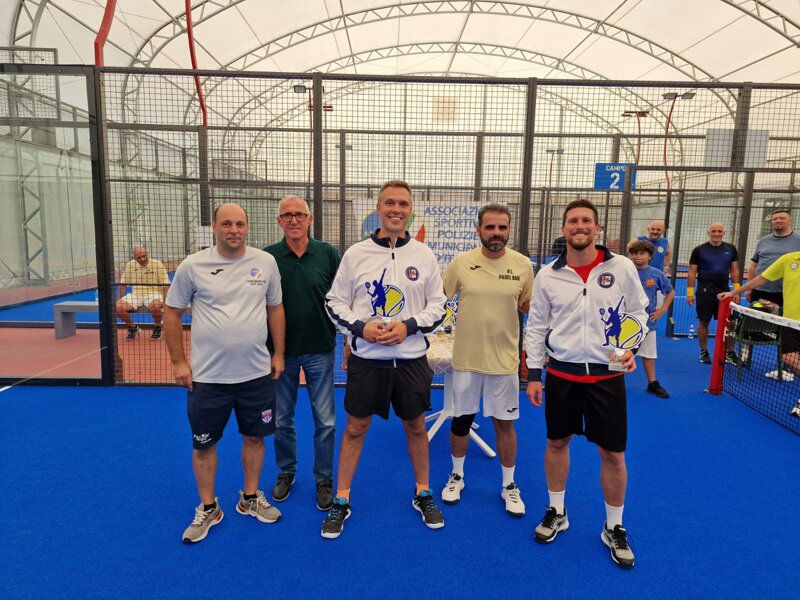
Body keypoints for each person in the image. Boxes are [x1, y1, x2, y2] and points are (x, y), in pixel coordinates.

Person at [525, 198, 649, 569]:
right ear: (564, 229)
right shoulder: (548, 274)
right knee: (556, 442)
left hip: (606, 376)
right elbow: (536, 327)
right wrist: (534, 374)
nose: (579, 226)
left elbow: (638, 312)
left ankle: (614, 527)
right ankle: (557, 511)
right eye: (573, 221)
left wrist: (632, 347)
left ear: (597, 228)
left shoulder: (621, 267)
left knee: (613, 454)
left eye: (586, 221)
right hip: (561, 375)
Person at [322, 180, 447, 539]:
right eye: (389, 202)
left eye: (403, 204)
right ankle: (342, 499)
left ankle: (423, 492)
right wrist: (361, 328)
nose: (396, 209)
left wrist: (408, 327)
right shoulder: (355, 254)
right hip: (368, 361)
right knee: (355, 428)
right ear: (378, 208)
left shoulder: (423, 255)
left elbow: (439, 305)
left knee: (416, 427)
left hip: (411, 361)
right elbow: (334, 302)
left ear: (410, 210)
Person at [164, 203, 286, 543]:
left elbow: (275, 308)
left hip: (256, 375)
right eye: (227, 224)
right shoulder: (193, 265)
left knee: (255, 438)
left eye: (240, 224)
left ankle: (250, 498)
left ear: (248, 227)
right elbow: (171, 313)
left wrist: (278, 353)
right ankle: (209, 507)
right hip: (207, 378)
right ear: (215, 227)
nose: (234, 230)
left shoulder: (266, 262)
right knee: (204, 445)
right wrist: (178, 362)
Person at [440, 203, 533, 516]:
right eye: (490, 227)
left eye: (502, 227)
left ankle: (509, 485)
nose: (496, 233)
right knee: (461, 421)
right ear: (478, 229)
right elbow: (438, 299)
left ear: (509, 230)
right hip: (467, 360)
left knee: (505, 425)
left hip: (504, 363)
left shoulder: (523, 265)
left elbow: (529, 305)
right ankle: (457, 476)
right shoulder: (462, 263)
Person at [264, 196, 340, 511]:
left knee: (326, 421)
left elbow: (343, 298)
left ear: (310, 219)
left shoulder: (328, 254)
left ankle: (323, 479)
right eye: (287, 215)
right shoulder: (267, 257)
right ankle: (287, 471)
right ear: (279, 221)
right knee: (282, 419)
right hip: (281, 354)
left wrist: (350, 339)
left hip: (320, 349)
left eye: (300, 214)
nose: (294, 220)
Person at [718, 249, 800, 416]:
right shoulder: (788, 259)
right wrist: (734, 292)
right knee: (788, 359)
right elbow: (762, 278)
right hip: (790, 322)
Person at [627, 240, 675, 398]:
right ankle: (613, 383)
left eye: (642, 253)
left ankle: (652, 383)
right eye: (634, 253)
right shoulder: (625, 272)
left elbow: (670, 292)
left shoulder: (656, 274)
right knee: (619, 353)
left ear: (650, 256)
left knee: (649, 354)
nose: (638, 256)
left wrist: (661, 310)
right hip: (626, 321)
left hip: (648, 322)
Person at [687, 222, 740, 365]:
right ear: (708, 232)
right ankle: (704, 351)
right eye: (713, 231)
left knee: (731, 322)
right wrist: (690, 292)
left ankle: (729, 353)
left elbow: (734, 270)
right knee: (704, 321)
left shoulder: (731, 249)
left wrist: (736, 291)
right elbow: (692, 272)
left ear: (724, 233)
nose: (716, 234)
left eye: (719, 231)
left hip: (725, 291)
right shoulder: (699, 250)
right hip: (705, 290)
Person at [746, 209, 800, 307]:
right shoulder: (763, 241)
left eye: (782, 218)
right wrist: (749, 287)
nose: (777, 221)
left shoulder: (798, 240)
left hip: (786, 293)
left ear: (790, 221)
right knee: (756, 317)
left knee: (783, 317)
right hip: (759, 291)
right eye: (775, 219)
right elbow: (753, 265)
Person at [116, 246, 170, 340]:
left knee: (156, 305)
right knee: (117, 307)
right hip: (136, 295)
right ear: (134, 258)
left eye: (144, 256)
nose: (142, 259)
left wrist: (166, 303)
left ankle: (157, 327)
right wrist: (119, 300)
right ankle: (133, 327)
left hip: (154, 293)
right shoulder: (130, 265)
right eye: (139, 258)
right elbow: (122, 284)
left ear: (147, 254)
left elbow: (166, 285)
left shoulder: (157, 264)